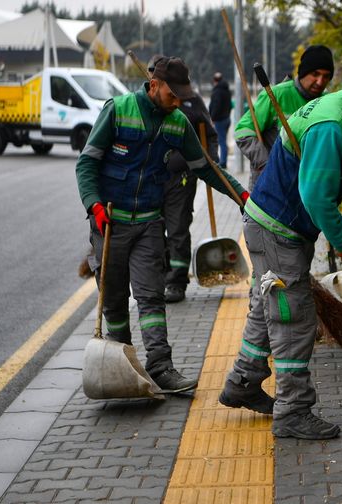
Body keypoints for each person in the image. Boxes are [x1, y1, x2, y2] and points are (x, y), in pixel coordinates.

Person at [218, 61, 342, 439]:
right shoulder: (331, 125)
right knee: (295, 318)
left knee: (267, 309)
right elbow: (315, 197)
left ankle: (243, 381)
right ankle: (293, 411)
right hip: (277, 227)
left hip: (277, 224)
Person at [76, 56, 248, 393]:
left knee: (151, 298)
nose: (179, 101)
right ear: (154, 85)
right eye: (174, 94)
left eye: (183, 95)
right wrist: (94, 205)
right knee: (112, 301)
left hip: (148, 225)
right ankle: (121, 364)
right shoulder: (119, 110)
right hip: (110, 224)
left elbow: (206, 167)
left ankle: (161, 367)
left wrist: (241, 194)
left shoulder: (178, 122)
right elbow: (87, 164)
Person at [233, 44, 334, 190]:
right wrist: (266, 164)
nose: (320, 82)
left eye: (326, 76)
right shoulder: (276, 95)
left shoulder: (327, 102)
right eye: (315, 74)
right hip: (269, 188)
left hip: (306, 189)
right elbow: (243, 131)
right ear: (303, 73)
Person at [162, 83, 220, 304]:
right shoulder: (149, 104)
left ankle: (176, 283)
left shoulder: (193, 102)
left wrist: (211, 160)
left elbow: (210, 134)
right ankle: (159, 278)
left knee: (177, 228)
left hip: (182, 178)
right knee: (153, 229)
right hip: (152, 178)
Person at [208, 72, 232, 169]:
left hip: (219, 120)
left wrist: (212, 118)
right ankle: (223, 160)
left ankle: (222, 162)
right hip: (226, 118)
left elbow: (216, 106)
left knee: (221, 141)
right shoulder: (227, 91)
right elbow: (230, 105)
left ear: (214, 81)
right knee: (223, 141)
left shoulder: (217, 91)